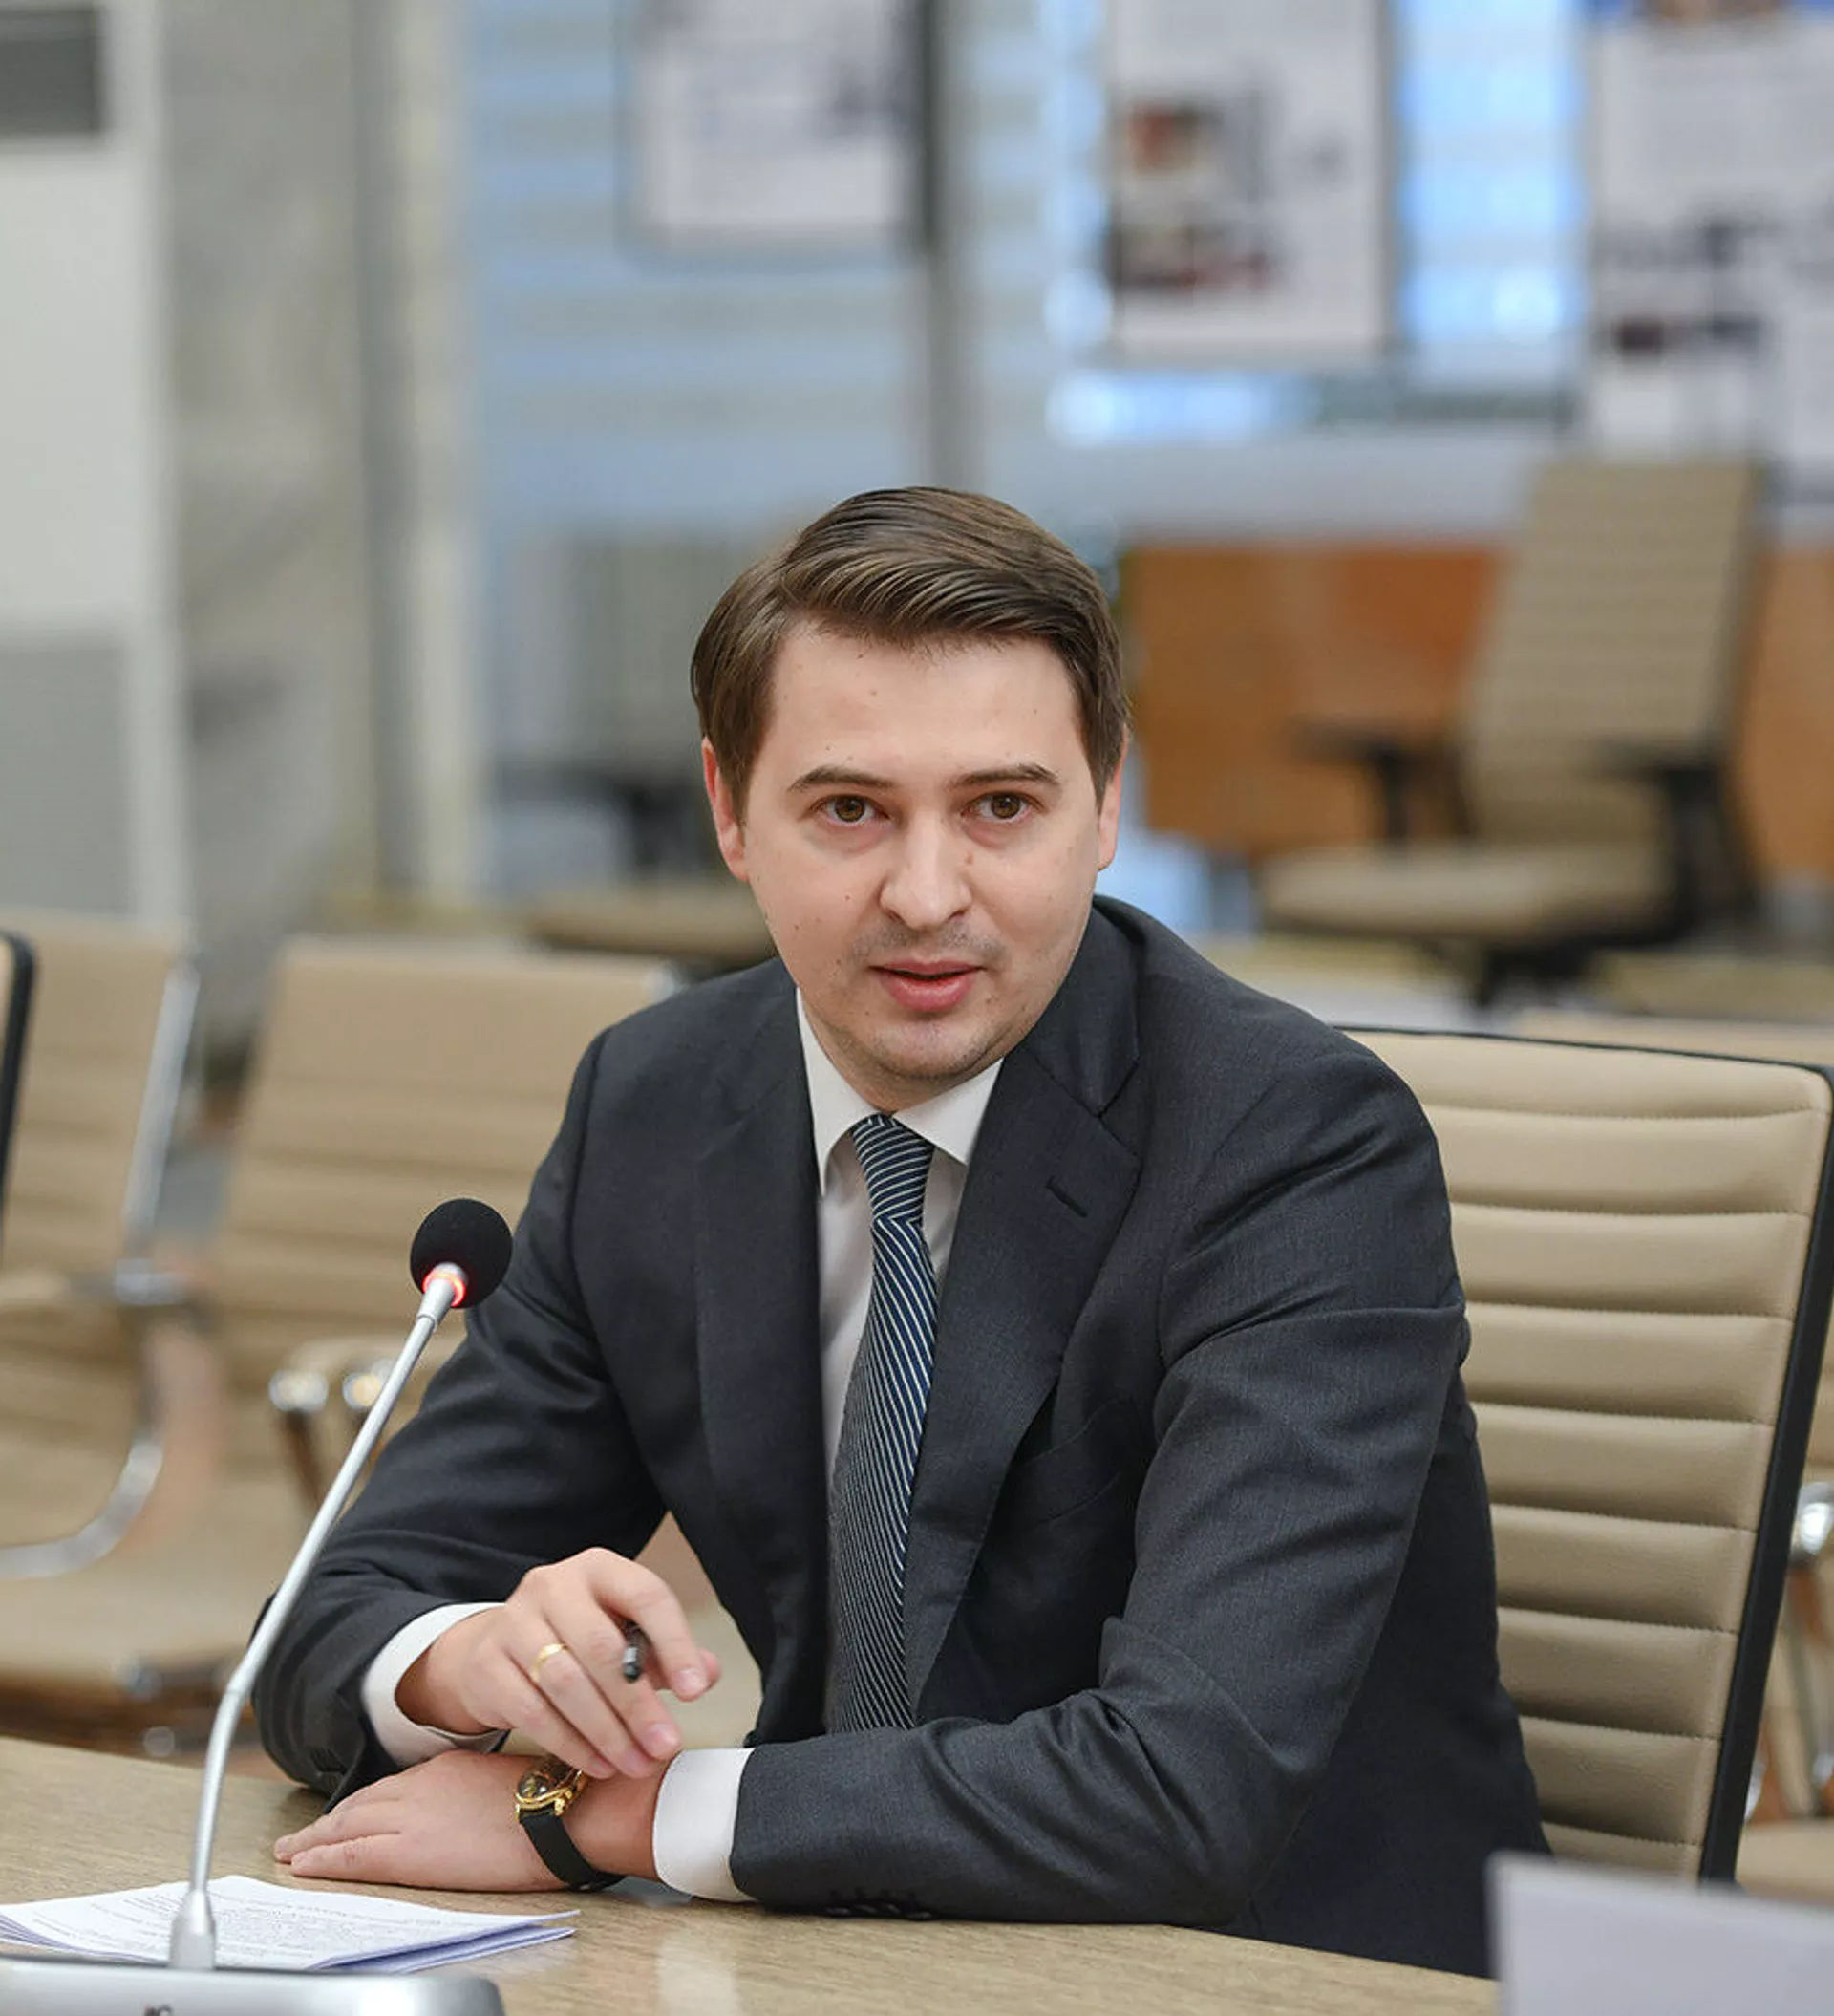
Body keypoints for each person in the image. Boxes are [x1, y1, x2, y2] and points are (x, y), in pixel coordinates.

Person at [255, 486, 1546, 1976]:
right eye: (849, 810)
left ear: (1106, 802)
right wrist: (464, 1659)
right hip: (832, 1953)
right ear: (729, 811)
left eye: (1001, 807)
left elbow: (1187, 1785)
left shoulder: (1294, 1145)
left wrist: (600, 1812)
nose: (927, 897)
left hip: (1271, 1972)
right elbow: (317, 1630)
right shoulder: (658, 1104)